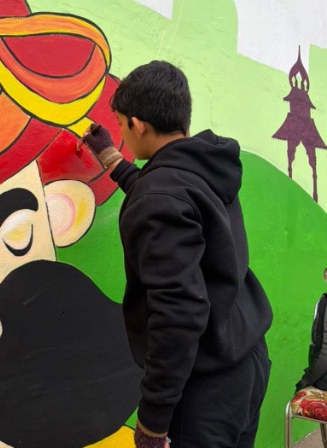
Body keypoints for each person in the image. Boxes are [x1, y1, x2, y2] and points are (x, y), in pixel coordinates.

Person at [82, 60, 273, 447]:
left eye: (120, 125)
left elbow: (178, 314)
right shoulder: (204, 164)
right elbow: (168, 196)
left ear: (138, 125)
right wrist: (114, 163)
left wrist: (153, 422)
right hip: (247, 363)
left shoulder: (163, 195)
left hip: (205, 388)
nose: (120, 133)